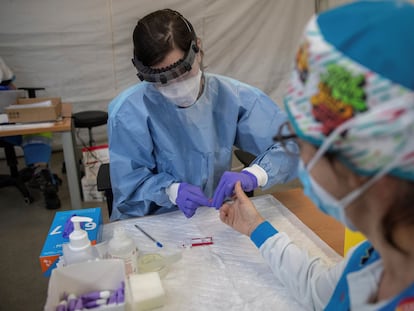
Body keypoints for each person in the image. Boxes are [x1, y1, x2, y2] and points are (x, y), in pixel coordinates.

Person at [219, 1, 414, 309]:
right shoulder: (376, 258)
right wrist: (255, 227)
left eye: (302, 141)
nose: (300, 159)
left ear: (367, 164)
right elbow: (319, 288)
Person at [108, 9, 298, 220]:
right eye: (163, 80)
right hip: (154, 224)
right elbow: (128, 186)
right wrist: (169, 191)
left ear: (197, 48)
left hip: (216, 216)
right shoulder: (128, 112)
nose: (177, 87)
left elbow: (293, 144)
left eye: (183, 72)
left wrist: (256, 175)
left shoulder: (231, 97)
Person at [0, 56, 61, 209]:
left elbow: (9, 83)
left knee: (39, 127)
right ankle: (41, 172)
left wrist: (18, 103)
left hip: (8, 113)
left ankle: (41, 173)